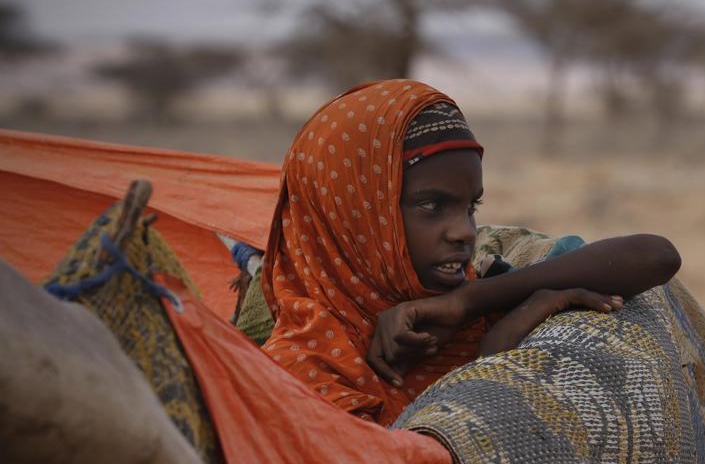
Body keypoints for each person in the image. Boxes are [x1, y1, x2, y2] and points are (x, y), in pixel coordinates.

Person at [259, 79, 680, 427]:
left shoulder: (474, 295)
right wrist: (489, 363)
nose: (464, 231)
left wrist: (467, 301)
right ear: (353, 217)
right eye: (431, 206)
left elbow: (656, 257)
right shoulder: (303, 368)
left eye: (471, 206)